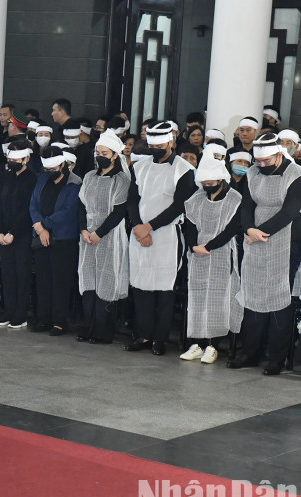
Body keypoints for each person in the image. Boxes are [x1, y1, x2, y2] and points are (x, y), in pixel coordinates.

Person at [229, 133, 301, 375]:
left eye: (265, 161)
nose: (260, 165)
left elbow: (290, 211)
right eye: (257, 161)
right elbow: (246, 205)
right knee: (253, 293)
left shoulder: (296, 174)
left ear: (279, 155)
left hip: (286, 240)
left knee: (280, 298)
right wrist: (249, 229)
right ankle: (250, 353)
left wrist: (259, 232)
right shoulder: (252, 173)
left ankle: (276, 358)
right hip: (255, 238)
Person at [126, 121, 196, 355]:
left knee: (164, 289)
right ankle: (143, 335)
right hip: (139, 233)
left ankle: (160, 339)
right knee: (141, 285)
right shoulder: (140, 167)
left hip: (166, 234)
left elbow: (179, 206)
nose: (155, 149)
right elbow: (132, 199)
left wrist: (149, 227)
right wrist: (138, 226)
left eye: (159, 145)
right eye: (152, 146)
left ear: (171, 142)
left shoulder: (184, 169)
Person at [181, 153, 243, 364]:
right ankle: (197, 343)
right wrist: (194, 246)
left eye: (211, 182)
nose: (207, 186)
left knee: (218, 297)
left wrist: (208, 247)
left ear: (221, 179)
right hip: (198, 254)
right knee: (197, 297)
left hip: (221, 253)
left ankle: (213, 345)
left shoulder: (234, 199)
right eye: (204, 183)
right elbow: (190, 225)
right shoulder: (196, 199)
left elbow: (231, 229)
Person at [76, 130, 130, 344]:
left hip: (109, 235)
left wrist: (99, 233)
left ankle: (103, 331)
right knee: (88, 280)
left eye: (104, 153)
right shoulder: (89, 176)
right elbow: (81, 205)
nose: (100, 156)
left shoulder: (121, 179)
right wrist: (84, 230)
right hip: (87, 235)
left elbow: (119, 211)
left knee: (106, 281)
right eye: (97, 152)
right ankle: (87, 327)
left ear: (115, 155)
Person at [29, 145, 82, 336]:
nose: (48, 172)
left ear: (62, 165)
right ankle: (43, 318)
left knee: (60, 281)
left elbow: (68, 211)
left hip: (63, 238)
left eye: (52, 169)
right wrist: (39, 227)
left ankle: (60, 321)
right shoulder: (43, 178)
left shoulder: (74, 182)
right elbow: (34, 203)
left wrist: (44, 225)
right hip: (41, 235)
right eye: (46, 168)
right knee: (43, 279)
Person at [0, 139, 38, 329]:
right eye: (10, 159)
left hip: (22, 234)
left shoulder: (32, 178)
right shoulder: (6, 176)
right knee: (8, 274)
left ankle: (21, 313)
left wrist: (13, 232)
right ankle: (9, 310)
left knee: (22, 274)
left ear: (26, 158)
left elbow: (28, 209)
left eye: (16, 160)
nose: (12, 163)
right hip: (4, 234)